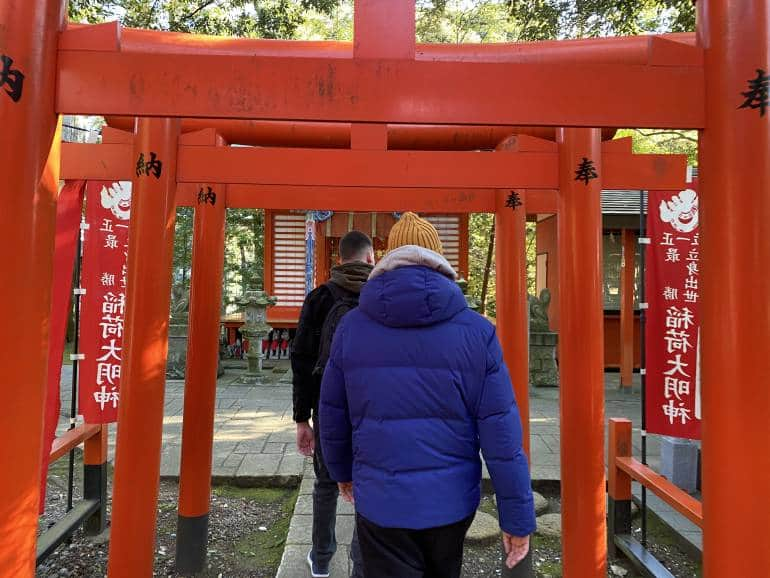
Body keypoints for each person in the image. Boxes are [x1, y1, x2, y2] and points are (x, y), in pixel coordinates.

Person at [319, 212, 535, 578]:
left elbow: (332, 412)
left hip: (381, 499)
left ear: (387, 258)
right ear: (439, 260)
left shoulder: (352, 328)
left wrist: (342, 472)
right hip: (450, 502)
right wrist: (516, 517)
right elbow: (502, 435)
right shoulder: (478, 332)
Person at [292, 230, 375, 578]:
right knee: (368, 482)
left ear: (339, 258)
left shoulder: (320, 297)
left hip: (328, 406)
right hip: (371, 408)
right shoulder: (380, 295)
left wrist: (301, 419)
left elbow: (301, 359)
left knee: (326, 481)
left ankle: (322, 559)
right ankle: (361, 559)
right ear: (371, 259)